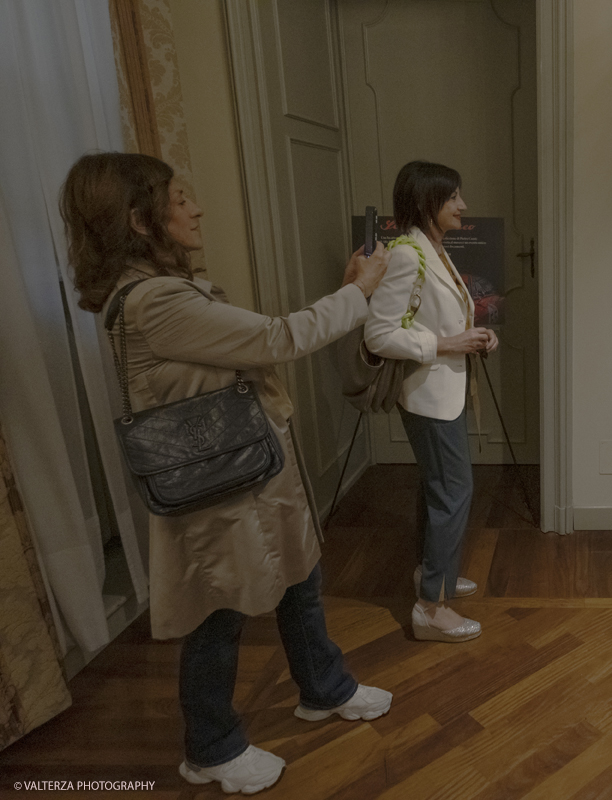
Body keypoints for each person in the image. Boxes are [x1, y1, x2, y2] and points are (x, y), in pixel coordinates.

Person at [60, 152, 391, 795]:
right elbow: (277, 338)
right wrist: (360, 290)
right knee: (220, 607)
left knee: (299, 575)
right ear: (140, 220)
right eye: (178, 201)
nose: (195, 209)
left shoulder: (165, 290)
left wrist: (353, 288)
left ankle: (324, 689)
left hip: (249, 468)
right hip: (216, 480)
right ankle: (210, 746)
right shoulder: (155, 301)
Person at [363, 161, 497, 643]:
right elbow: (379, 334)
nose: (462, 206)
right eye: (453, 198)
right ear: (427, 203)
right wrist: (448, 345)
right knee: (453, 490)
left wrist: (474, 337)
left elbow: (440, 317)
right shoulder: (405, 255)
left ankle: (432, 576)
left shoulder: (433, 248)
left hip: (445, 391)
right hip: (428, 394)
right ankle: (429, 609)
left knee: (439, 486)